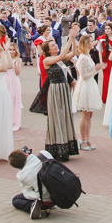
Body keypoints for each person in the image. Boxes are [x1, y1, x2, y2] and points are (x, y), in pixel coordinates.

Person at [43, 29, 79, 161]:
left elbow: (73, 53)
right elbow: (62, 55)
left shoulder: (60, 60)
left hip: (64, 89)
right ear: (48, 50)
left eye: (55, 44)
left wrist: (73, 39)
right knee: (57, 117)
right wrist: (69, 38)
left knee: (65, 116)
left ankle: (66, 146)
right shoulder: (47, 60)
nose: (55, 46)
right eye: (52, 45)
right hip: (56, 90)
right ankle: (58, 148)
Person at [72, 35, 103, 149]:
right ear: (86, 44)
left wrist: (97, 69)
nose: (93, 43)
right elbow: (84, 76)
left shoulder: (88, 56)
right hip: (85, 85)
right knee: (85, 114)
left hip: (91, 85)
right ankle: (82, 139)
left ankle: (88, 138)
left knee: (90, 114)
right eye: (91, 41)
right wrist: (96, 70)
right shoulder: (83, 58)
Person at [9, 148, 54, 219]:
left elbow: (26, 187)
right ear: (26, 154)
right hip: (60, 193)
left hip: (47, 201)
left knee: (16, 200)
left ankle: (32, 206)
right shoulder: (43, 155)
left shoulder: (21, 176)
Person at [5, 42, 24, 131]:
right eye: (10, 50)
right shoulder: (5, 58)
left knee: (15, 100)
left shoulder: (18, 59)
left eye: (13, 50)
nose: (12, 52)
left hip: (14, 81)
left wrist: (15, 65)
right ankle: (7, 120)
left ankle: (15, 120)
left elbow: (18, 72)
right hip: (6, 80)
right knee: (7, 100)